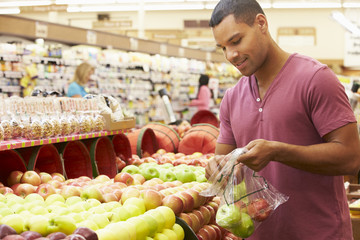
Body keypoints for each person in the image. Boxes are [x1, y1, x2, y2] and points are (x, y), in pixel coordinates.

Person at [204, 0, 360, 239]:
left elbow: (350, 158)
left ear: (261, 24)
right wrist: (218, 170)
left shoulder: (316, 79)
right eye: (222, 48)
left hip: (321, 233)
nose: (231, 55)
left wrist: (277, 151)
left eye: (236, 41)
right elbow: (224, 167)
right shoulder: (232, 98)